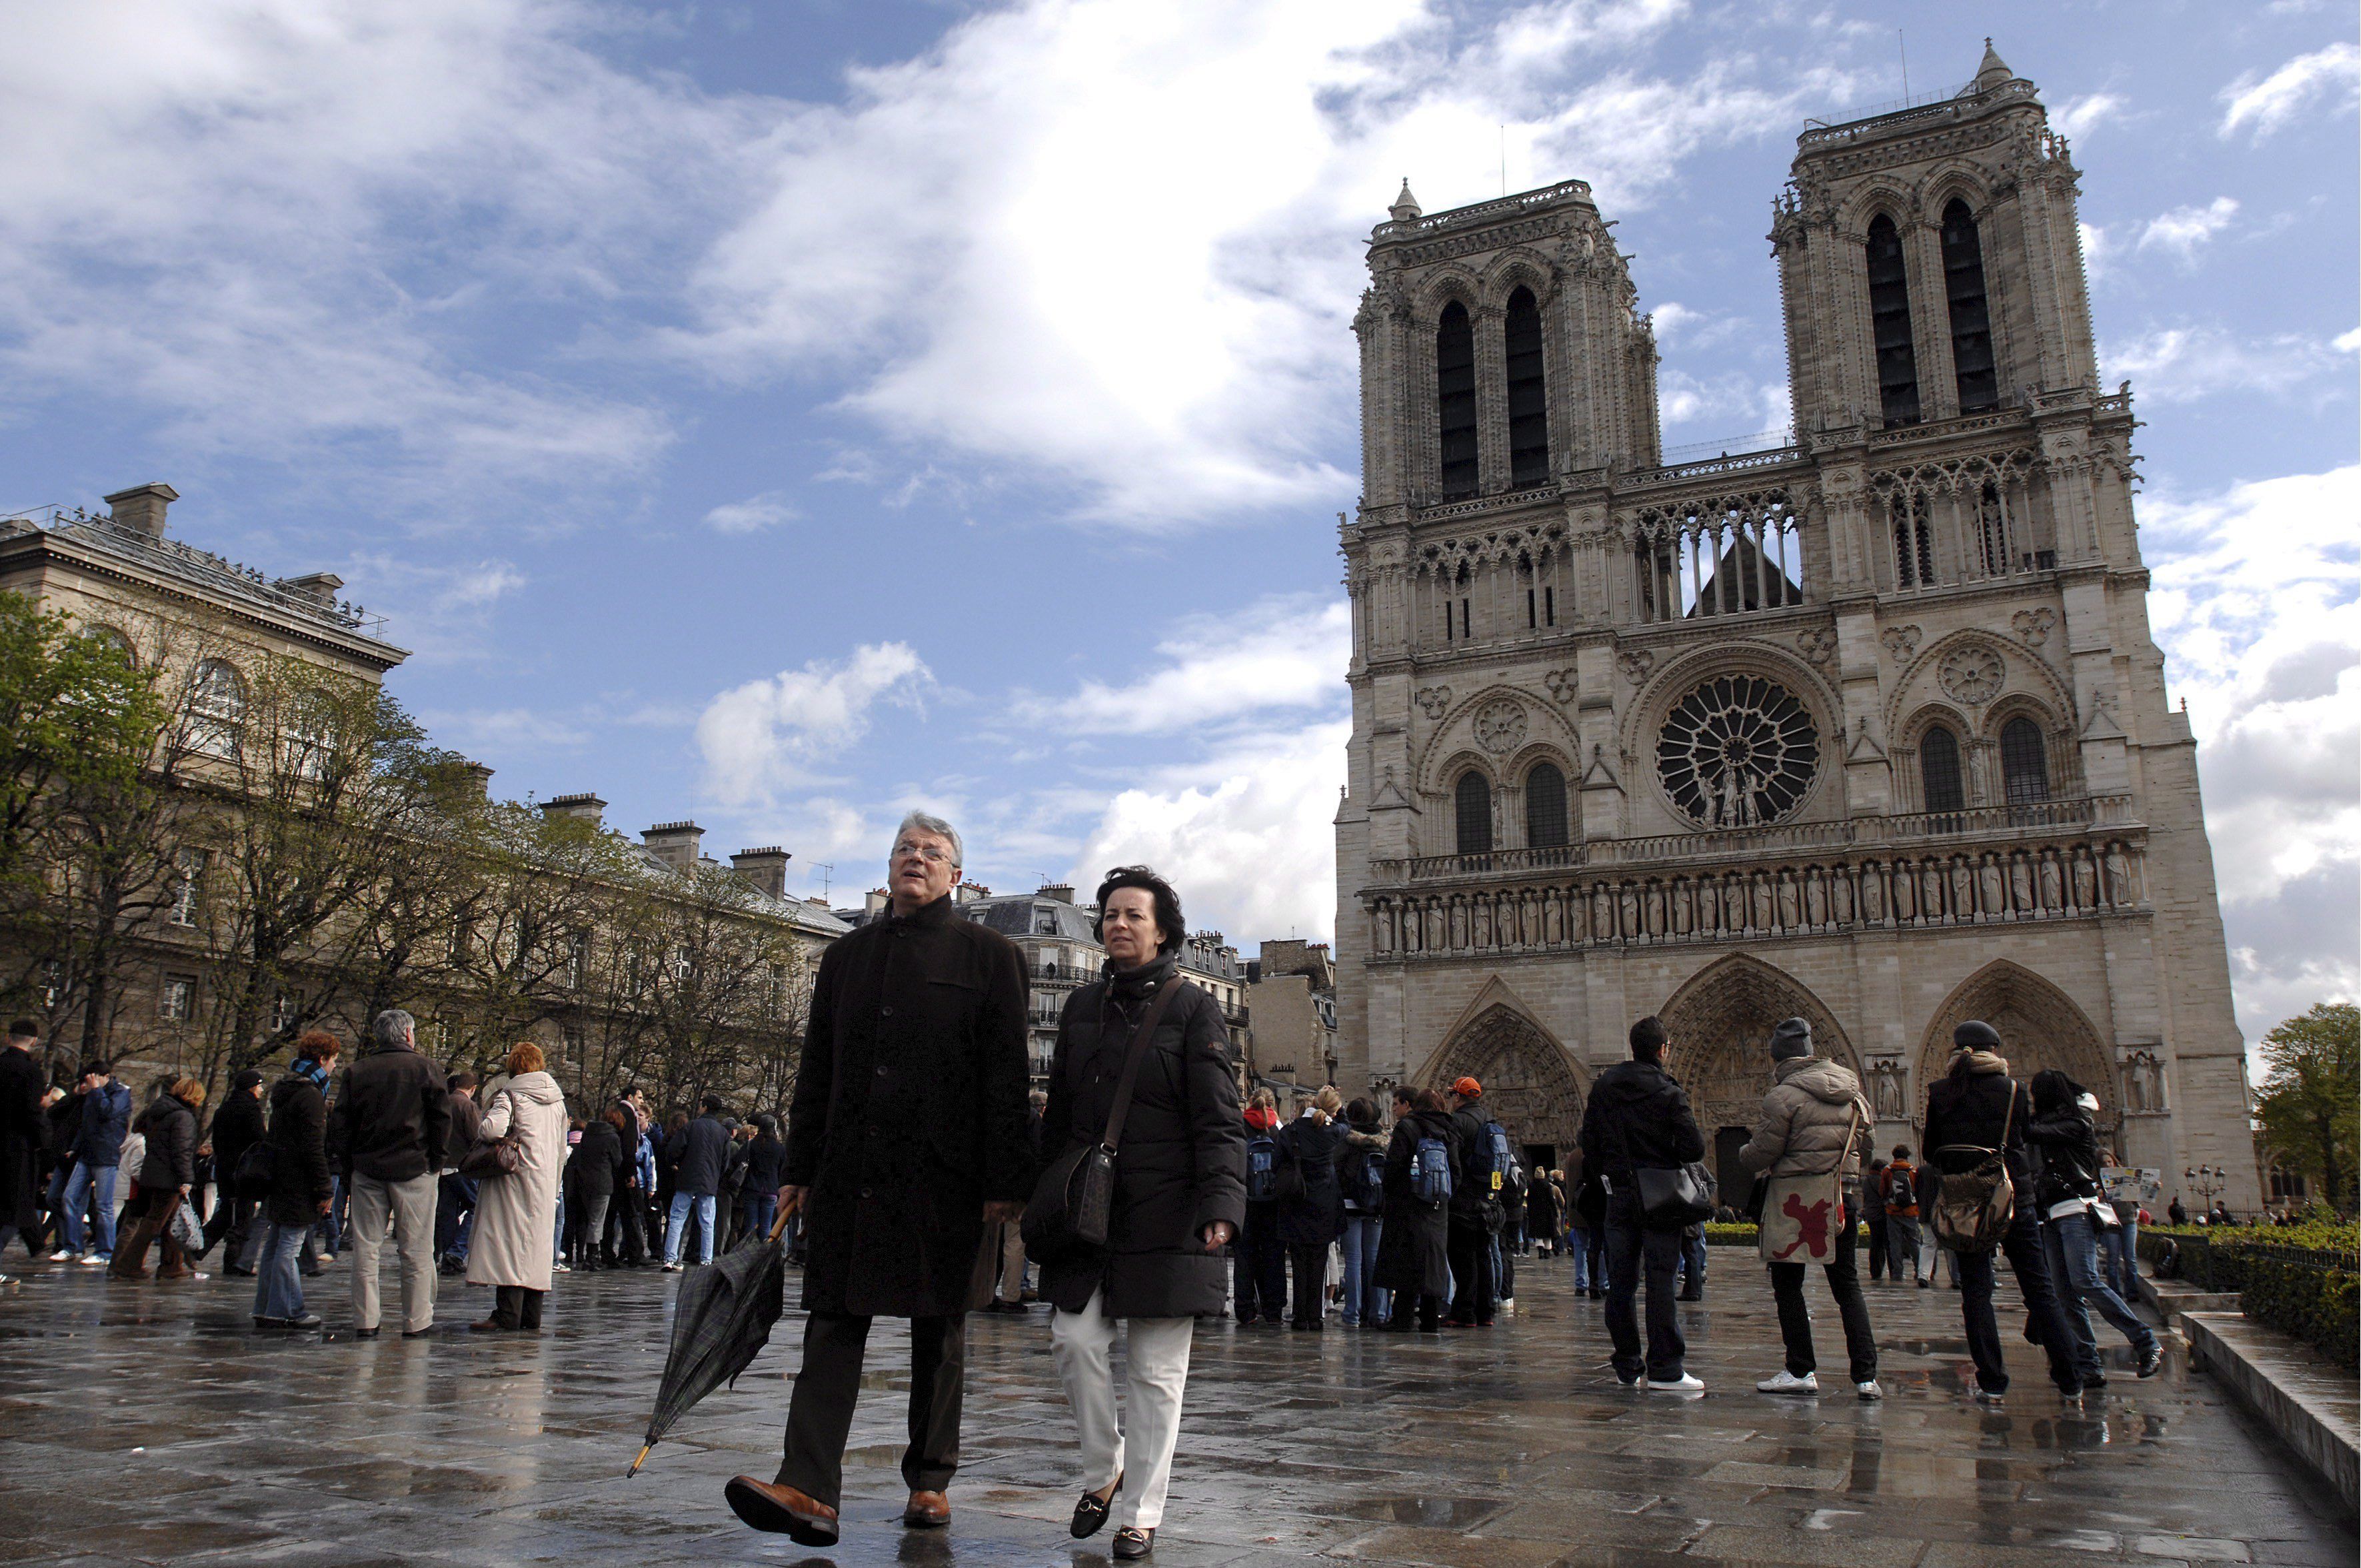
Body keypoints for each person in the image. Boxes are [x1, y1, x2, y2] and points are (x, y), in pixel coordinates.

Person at [725, 812, 1033, 1547]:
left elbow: (1006, 1076)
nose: (914, 859)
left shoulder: (991, 955)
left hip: (946, 1173)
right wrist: (799, 1167)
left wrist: (1005, 1177)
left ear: (955, 875)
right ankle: (807, 1485)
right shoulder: (846, 956)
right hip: (851, 1169)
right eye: (903, 850)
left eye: (931, 853)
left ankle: (930, 1480)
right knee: (831, 1322)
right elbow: (816, 1069)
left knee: (942, 1329)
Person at [1038, 866, 1243, 1561]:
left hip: (1168, 1209)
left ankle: (1141, 1512)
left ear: (1162, 929)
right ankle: (1105, 1468)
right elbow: (1061, 1115)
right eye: (1109, 914)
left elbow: (1218, 1119)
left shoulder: (1194, 1009)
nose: (1117, 924)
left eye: (1132, 914)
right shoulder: (1080, 1008)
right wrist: (1039, 1191)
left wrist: (1221, 1204)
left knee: (1156, 1373)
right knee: (1073, 1339)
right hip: (1091, 1210)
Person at [1922, 1022, 2086, 1401]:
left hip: (1966, 1202)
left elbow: (1931, 1150)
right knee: (2040, 1290)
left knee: (1976, 1293)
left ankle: (1992, 1381)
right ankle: (2070, 1378)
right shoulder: (2013, 1089)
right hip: (2013, 1199)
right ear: (1993, 1049)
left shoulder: (1940, 1092)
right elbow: (2021, 1141)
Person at [1737, 1017, 1880, 1399]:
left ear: (1779, 1059)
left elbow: (1762, 1154)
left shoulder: (1783, 1096)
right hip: (1841, 1198)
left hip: (1796, 1202)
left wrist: (1744, 1153)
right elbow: (1868, 1146)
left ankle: (1800, 1370)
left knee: (1788, 1286)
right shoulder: (1853, 1092)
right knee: (1847, 1284)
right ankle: (1866, 1376)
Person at [1578, 1016, 1707, 1391]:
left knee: (1620, 1282)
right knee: (1661, 1281)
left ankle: (1627, 1364)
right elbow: (1693, 1148)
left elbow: (1591, 1142)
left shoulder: (1603, 1088)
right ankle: (1666, 1369)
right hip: (1661, 1193)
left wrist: (1611, 1176)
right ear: (1663, 1050)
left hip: (1618, 1194)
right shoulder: (1669, 1092)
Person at [2026, 1073, 2161, 1384]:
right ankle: (2089, 1365)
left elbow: (2031, 1132)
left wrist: (2014, 1106)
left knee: (2085, 1280)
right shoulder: (2053, 1125)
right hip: (2050, 1215)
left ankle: (2145, 1341)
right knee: (2064, 1294)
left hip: (2076, 1209)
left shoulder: (2077, 1124)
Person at [329, 1009, 450, 1339]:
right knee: (416, 1249)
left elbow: (341, 1123)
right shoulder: (426, 1069)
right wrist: (436, 1163)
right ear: (409, 1035)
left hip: (368, 1168)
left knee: (366, 1248)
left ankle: (366, 1320)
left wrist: (350, 1162)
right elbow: (441, 1121)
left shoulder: (358, 1071)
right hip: (414, 1168)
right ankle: (416, 1320)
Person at [464, 1042, 569, 1332]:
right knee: (536, 1249)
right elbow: (562, 1150)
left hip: (513, 1180)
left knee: (507, 1243)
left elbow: (493, 1129)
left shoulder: (511, 1094)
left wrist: (484, 1124)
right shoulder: (558, 1101)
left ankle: (506, 1313)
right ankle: (531, 1315)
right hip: (544, 1182)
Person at [255, 1032, 340, 1331]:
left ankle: (267, 1307)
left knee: (275, 1244)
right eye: (333, 1061)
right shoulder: (311, 1095)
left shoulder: (285, 1088)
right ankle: (289, 1309)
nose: (333, 1068)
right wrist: (323, 1187)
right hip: (300, 1180)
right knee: (288, 1247)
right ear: (322, 1059)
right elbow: (313, 1147)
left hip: (280, 1175)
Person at [1375, 1087, 1456, 1331]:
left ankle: (1403, 1318)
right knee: (1433, 1262)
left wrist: (1395, 1194)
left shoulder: (1407, 1127)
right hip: (1437, 1206)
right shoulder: (1448, 1130)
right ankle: (1431, 1319)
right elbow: (1456, 1171)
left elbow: (1393, 1167)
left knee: (1405, 1261)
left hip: (1408, 1204)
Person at [111, 1078, 206, 1280]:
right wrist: (187, 1179)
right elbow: (182, 1151)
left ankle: (171, 1266)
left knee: (169, 1221)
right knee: (155, 1222)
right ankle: (129, 1265)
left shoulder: (158, 1113)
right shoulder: (183, 1117)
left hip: (152, 1174)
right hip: (168, 1178)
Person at [1276, 1086, 1344, 1331]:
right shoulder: (1333, 1132)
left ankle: (1300, 1315)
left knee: (1298, 1262)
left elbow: (1277, 1164)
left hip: (1296, 1202)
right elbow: (1344, 1125)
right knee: (1318, 1261)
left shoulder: (1290, 1131)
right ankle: (1315, 1316)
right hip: (1324, 1204)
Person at [52, 1060, 131, 1266]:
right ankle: (73, 1247)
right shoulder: (92, 1095)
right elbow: (85, 1124)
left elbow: (108, 1113)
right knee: (69, 1198)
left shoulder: (120, 1093)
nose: (89, 1084)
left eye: (92, 1079)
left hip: (106, 1156)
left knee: (104, 1205)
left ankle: (105, 1251)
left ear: (105, 1077)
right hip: (86, 1154)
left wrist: (97, 1091)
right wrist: (75, 1148)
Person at [0, 1023, 56, 1279]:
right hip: (17, 1147)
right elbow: (29, 1113)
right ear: (34, 1040)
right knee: (14, 1208)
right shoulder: (32, 1072)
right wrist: (43, 1141)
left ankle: (36, 1244)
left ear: (8, 1037)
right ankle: (36, 1245)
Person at [1443, 1076, 1500, 1327]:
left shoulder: (1458, 1122)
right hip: (1489, 1200)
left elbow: (1452, 1162)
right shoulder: (1490, 1120)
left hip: (1463, 1200)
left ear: (1458, 1097)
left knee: (1462, 1257)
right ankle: (1486, 1312)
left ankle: (1464, 1312)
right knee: (1483, 1256)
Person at [199, 1069, 267, 1273]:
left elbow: (218, 1143)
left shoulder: (223, 1109)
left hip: (224, 1169)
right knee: (243, 1216)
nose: (262, 1090)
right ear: (252, 1087)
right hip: (244, 1172)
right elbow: (260, 1140)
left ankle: (195, 1248)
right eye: (260, 1086)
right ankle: (235, 1261)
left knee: (226, 1213)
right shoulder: (251, 1110)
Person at [1232, 1088, 1286, 1325]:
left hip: (1245, 1201)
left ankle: (1245, 1309)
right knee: (1274, 1257)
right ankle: (1273, 1309)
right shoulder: (1278, 1130)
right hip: (1273, 1202)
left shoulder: (1239, 1127)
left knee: (1244, 1257)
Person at [661, 1095, 730, 1269]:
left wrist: (676, 1164)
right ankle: (706, 1259)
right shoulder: (722, 1132)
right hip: (709, 1182)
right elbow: (725, 1161)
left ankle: (670, 1258)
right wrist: (716, 1177)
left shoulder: (691, 1126)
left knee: (677, 1218)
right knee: (707, 1222)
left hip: (687, 1179)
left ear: (705, 1107)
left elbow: (673, 1150)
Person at [1336, 1098, 1388, 1328]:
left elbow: (1336, 1171)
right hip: (1377, 1206)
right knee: (1376, 1260)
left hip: (1351, 1206)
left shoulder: (1347, 1141)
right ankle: (1379, 1312)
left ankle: (1352, 1314)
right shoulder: (1384, 1143)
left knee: (1354, 1261)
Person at [570, 1105, 627, 1270]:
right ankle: (592, 1257)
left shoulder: (588, 1133)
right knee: (597, 1220)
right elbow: (618, 1162)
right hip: (603, 1183)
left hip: (584, 1181)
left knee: (588, 1219)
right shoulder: (612, 1137)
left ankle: (586, 1254)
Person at [437, 1071, 483, 1273]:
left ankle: (447, 1255)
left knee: (447, 1213)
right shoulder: (468, 1106)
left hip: (442, 1167)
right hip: (462, 1167)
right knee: (476, 1207)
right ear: (472, 1089)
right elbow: (476, 1137)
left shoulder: (443, 1102)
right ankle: (456, 1252)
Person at [739, 1112, 787, 1256]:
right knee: (766, 1225)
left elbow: (738, 1160)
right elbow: (782, 1169)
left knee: (750, 1224)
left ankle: (747, 1253)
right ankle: (761, 1255)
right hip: (771, 1190)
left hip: (752, 1187)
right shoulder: (779, 1148)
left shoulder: (751, 1144)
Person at [1880, 1144, 1924, 1286]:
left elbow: (1882, 1191)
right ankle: (1919, 1270)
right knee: (1915, 1242)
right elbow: (1917, 1191)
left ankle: (1897, 1273)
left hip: (1893, 1211)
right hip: (1911, 1211)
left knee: (1895, 1243)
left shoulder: (1887, 1171)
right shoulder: (1913, 1171)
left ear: (1894, 1155)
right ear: (1907, 1155)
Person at [1524, 1160, 1559, 1265]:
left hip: (1535, 1212)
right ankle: (1547, 1252)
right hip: (1547, 1212)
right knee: (1548, 1234)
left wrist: (1529, 1211)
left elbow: (1529, 1200)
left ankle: (1541, 1252)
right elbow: (1551, 1200)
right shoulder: (1547, 1185)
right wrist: (1555, 1211)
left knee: (1539, 1234)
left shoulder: (1531, 1186)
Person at [1863, 1157, 1890, 1281]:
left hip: (1871, 1214)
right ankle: (1887, 1270)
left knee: (1875, 1243)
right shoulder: (1879, 1180)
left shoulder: (1866, 1180)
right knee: (1885, 1244)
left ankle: (1875, 1271)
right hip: (1881, 1214)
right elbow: (1884, 1194)